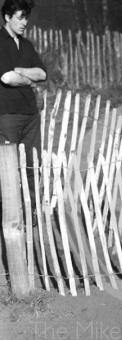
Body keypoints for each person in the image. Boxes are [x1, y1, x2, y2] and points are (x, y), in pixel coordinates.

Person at [0, 0, 46, 207]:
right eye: (20, 17)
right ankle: (9, 215)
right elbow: (7, 78)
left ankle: (32, 211)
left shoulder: (26, 45)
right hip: (7, 114)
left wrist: (20, 71)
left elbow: (43, 73)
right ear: (7, 17)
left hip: (31, 114)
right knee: (8, 168)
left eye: (26, 17)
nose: (24, 22)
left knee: (32, 165)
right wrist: (29, 79)